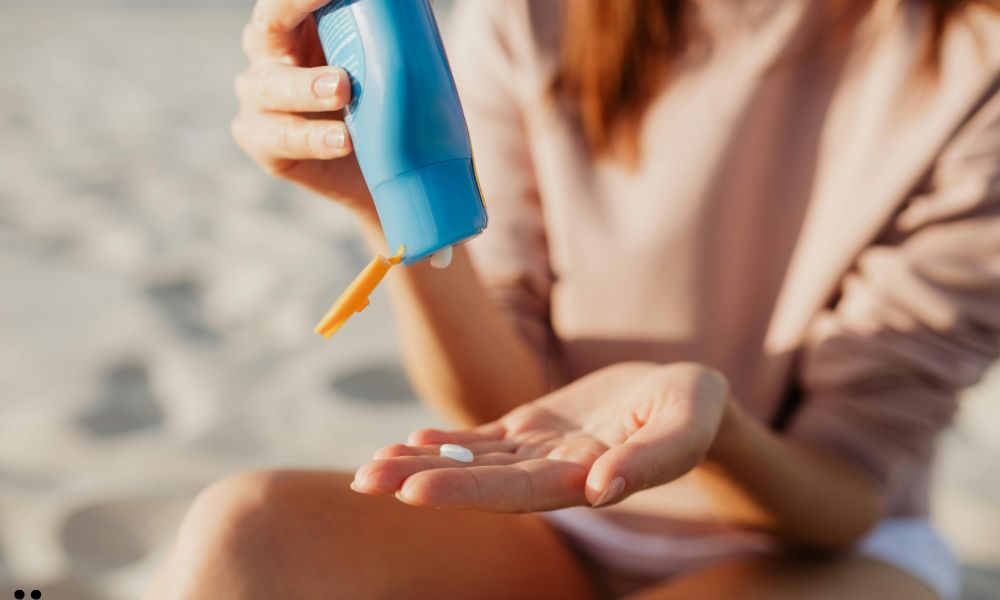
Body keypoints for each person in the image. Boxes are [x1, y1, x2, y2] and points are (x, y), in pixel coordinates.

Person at [147, 0, 1000, 598]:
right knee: (250, 532)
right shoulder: (536, 14)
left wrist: (718, 429)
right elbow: (501, 409)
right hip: (554, 515)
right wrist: (387, 199)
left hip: (819, 547)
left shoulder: (975, 65)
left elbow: (845, 496)